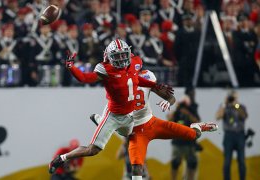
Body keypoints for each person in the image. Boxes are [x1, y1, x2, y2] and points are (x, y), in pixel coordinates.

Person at [48, 39, 174, 174]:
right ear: (109, 56)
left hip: (129, 115)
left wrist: (154, 85)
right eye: (116, 56)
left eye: (123, 55)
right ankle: (61, 158)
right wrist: (71, 67)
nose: (120, 59)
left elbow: (134, 79)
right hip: (113, 116)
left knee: (129, 135)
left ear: (128, 53)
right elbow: (84, 78)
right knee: (93, 150)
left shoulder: (134, 63)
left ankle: (99, 120)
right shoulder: (106, 70)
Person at [89, 70, 218, 180]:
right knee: (136, 166)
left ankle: (199, 126)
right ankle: (101, 121)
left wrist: (168, 102)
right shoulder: (118, 84)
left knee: (194, 134)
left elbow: (170, 97)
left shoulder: (146, 77)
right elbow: (110, 110)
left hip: (151, 123)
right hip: (136, 131)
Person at [168, 87, 201, 180]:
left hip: (189, 143)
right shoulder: (177, 112)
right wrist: (176, 109)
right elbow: (169, 120)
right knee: (175, 163)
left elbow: (197, 121)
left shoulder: (192, 110)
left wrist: (187, 113)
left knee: (192, 163)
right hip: (177, 142)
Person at [216, 90, 248, 180]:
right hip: (228, 136)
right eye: (232, 97)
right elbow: (218, 116)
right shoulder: (224, 107)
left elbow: (244, 116)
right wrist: (224, 104)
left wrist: (236, 105)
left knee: (241, 161)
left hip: (240, 135)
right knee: (227, 162)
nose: (233, 99)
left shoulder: (241, 106)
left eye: (234, 97)